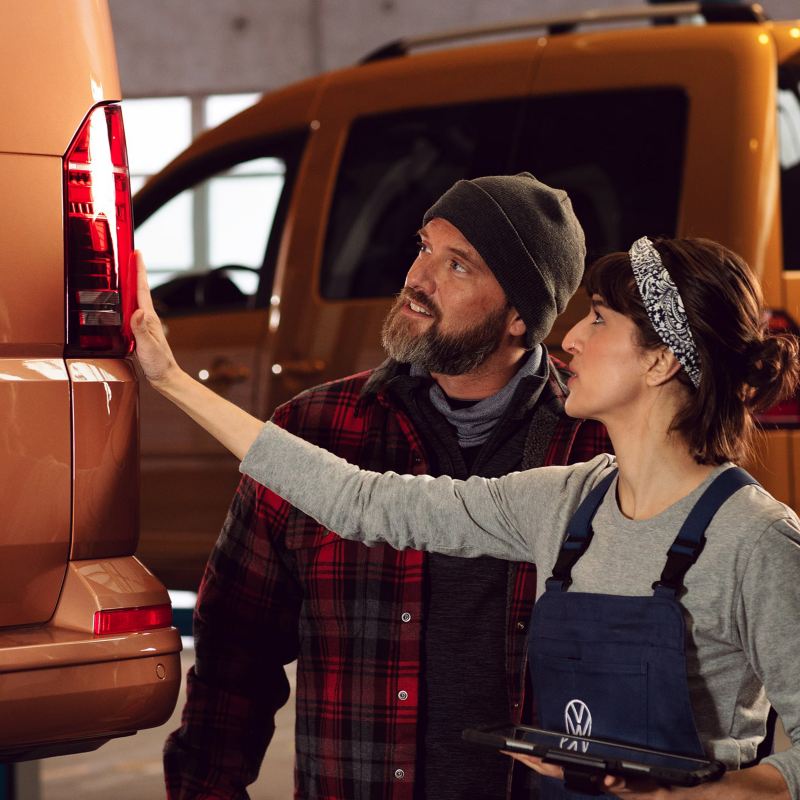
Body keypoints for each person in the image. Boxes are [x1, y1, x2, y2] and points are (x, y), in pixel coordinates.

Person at [136, 233, 800, 800]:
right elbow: (362, 501)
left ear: (659, 360)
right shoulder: (564, 504)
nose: (569, 336)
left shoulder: (755, 540)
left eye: (598, 319)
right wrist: (168, 378)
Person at [158, 174, 611, 799]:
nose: (418, 280)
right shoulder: (314, 430)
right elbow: (235, 652)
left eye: (457, 266)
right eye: (424, 247)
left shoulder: (595, 447)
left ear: (518, 319)